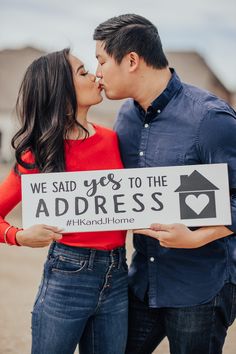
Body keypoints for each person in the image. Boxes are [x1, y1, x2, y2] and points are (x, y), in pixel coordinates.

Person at [93, 14, 236, 354]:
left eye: (100, 60)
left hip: (200, 286)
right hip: (142, 281)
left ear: (131, 60)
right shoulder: (125, 117)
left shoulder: (211, 118)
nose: (97, 71)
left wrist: (197, 236)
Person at [0, 49, 128, 354]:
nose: (96, 75)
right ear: (61, 90)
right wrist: (18, 236)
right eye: (83, 72)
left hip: (118, 274)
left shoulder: (113, 139)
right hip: (67, 277)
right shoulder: (39, 153)